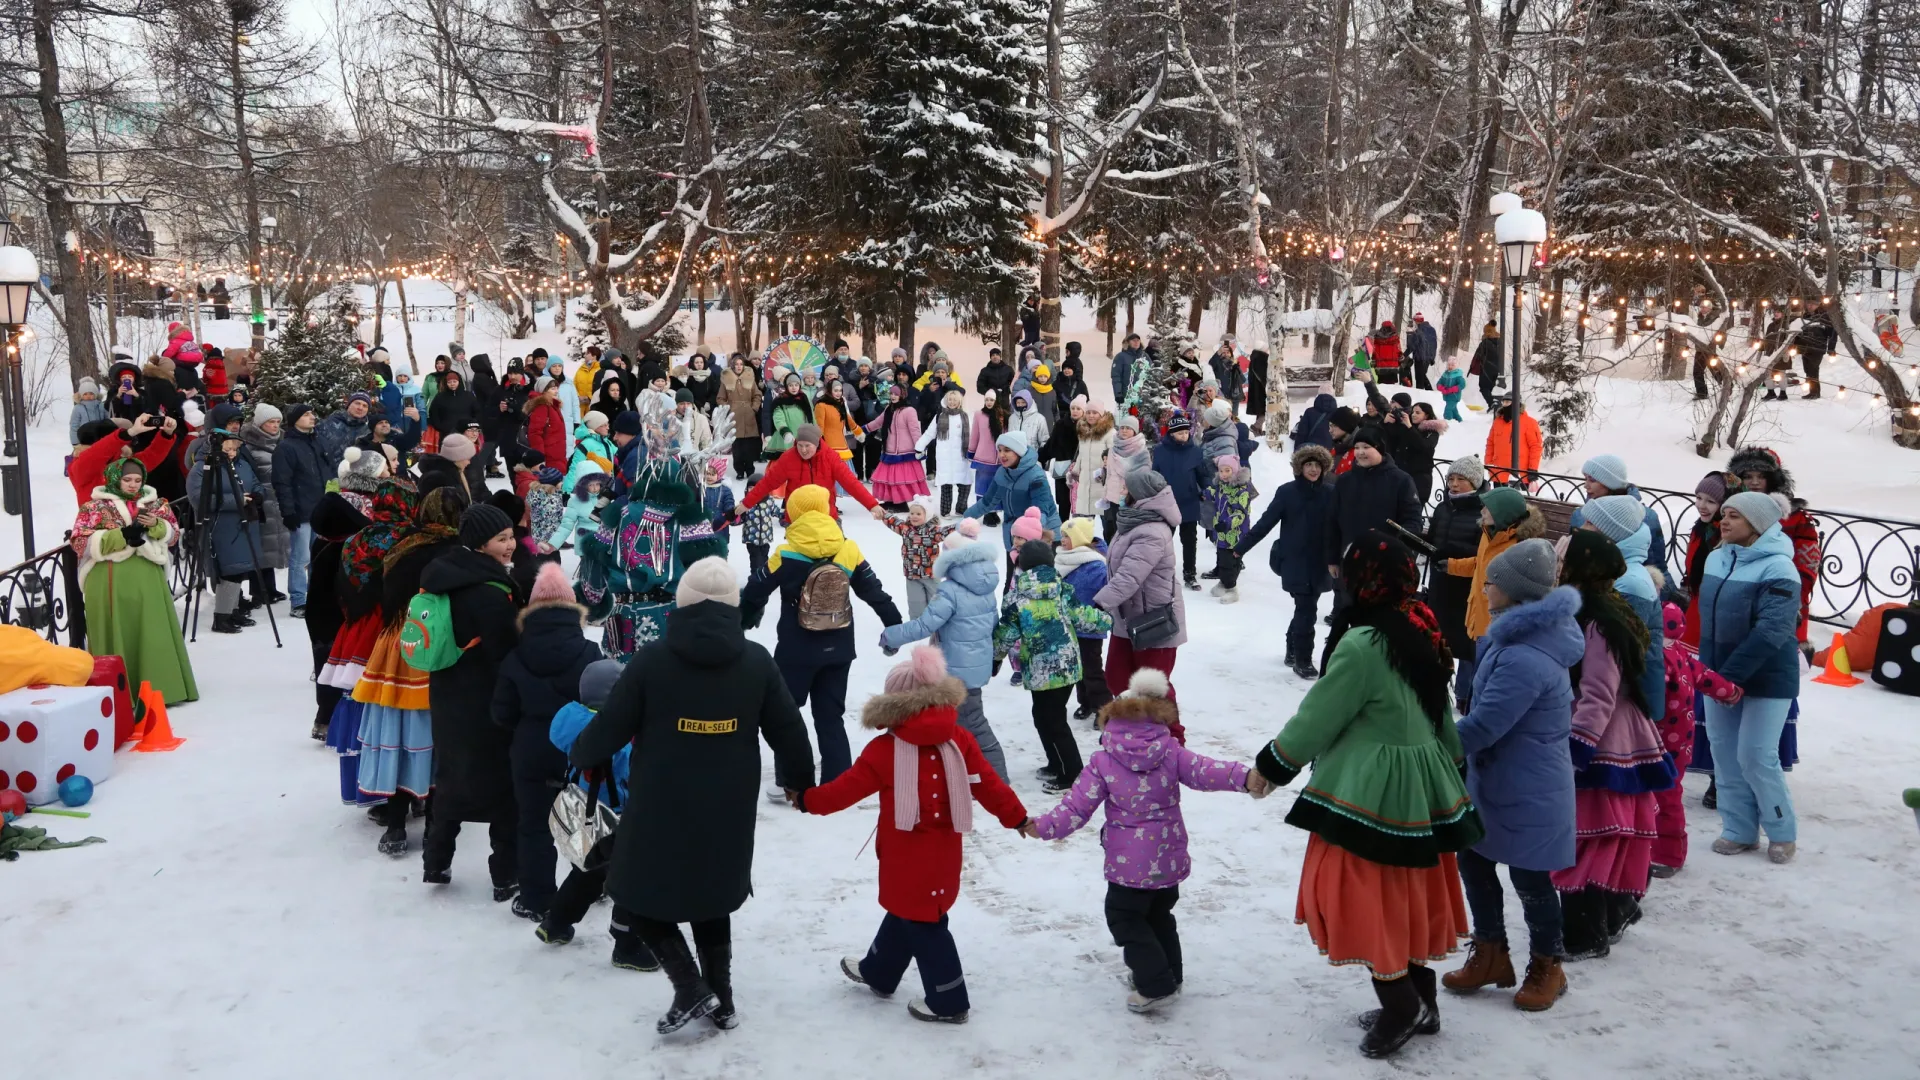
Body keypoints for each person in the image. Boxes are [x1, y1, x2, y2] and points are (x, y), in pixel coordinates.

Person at [1250, 530, 1480, 1059]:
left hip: (1372, 787)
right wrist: (1451, 759)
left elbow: (1320, 715)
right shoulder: (1417, 624)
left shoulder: (1364, 643)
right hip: (1422, 782)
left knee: (1357, 890)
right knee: (1407, 891)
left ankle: (1400, 1004)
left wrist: (1272, 765)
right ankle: (1422, 1001)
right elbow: (1439, 707)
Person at [570, 557, 817, 1032]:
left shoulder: (651, 661)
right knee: (713, 894)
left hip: (661, 798)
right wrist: (799, 781)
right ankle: (720, 1000)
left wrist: (581, 752)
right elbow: (789, 728)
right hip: (729, 800)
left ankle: (689, 986)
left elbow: (610, 728)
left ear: (681, 603)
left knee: (630, 889)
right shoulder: (755, 661)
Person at [800, 645, 1028, 1026]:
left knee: (925, 923)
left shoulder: (884, 749)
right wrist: (1017, 817)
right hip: (944, 852)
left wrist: (806, 799)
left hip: (903, 853)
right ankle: (879, 971)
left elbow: (842, 792)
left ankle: (949, 1000)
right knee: (911, 909)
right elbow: (987, 784)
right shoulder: (959, 738)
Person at [1026, 667, 1254, 1012]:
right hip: (1168, 858)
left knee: (1126, 918)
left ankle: (1155, 983)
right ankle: (1169, 975)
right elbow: (1207, 770)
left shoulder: (1104, 760)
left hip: (1128, 866)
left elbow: (1077, 806)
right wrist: (1246, 777)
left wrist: (1043, 826)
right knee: (1159, 915)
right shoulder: (1171, 751)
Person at [1446, 540, 1579, 1011]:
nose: (1484, 587)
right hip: (1501, 779)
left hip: (1529, 785)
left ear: (1514, 591)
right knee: (1475, 861)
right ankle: (1490, 953)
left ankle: (1549, 965)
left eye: (1491, 582)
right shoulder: (1515, 638)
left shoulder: (1525, 655)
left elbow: (1486, 725)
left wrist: (1434, 745)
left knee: (1531, 878)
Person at [1552, 531, 1674, 960]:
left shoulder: (1598, 621)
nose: (1555, 567)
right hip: (1603, 732)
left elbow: (1600, 692)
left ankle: (1587, 934)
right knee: (1599, 834)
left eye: (1561, 560)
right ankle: (1617, 909)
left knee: (1587, 836)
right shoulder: (1590, 611)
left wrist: (1578, 748)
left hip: (1604, 739)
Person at [742, 484, 903, 782]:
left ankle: (792, 780)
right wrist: (893, 627)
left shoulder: (786, 553)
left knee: (787, 717)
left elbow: (754, 591)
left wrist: (740, 622)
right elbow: (874, 592)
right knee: (830, 717)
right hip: (839, 647)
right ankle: (839, 780)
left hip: (796, 650)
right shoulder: (847, 548)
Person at [351, 486, 467, 854]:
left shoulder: (400, 549)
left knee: (400, 735)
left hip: (397, 647)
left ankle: (396, 825)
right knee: (438, 737)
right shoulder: (458, 555)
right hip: (438, 649)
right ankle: (435, 822)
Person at [419, 503, 526, 896]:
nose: (510, 545)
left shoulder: (444, 576)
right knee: (503, 788)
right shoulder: (489, 593)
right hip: (487, 698)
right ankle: (505, 875)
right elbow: (507, 653)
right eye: (501, 539)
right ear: (480, 544)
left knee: (450, 780)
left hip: (447, 695)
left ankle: (436, 863)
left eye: (511, 536)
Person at [491, 562, 602, 922]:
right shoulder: (589, 654)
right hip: (578, 751)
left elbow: (502, 713)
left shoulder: (515, 655)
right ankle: (591, 887)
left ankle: (536, 899)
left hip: (530, 752)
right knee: (586, 823)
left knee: (534, 825)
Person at [1695, 490, 1801, 865]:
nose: (1723, 521)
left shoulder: (1779, 568)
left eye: (1734, 516)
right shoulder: (1715, 558)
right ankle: (1739, 829)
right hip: (1719, 674)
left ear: (1757, 524)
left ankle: (1781, 829)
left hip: (1768, 676)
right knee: (1724, 754)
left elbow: (1773, 630)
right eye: (1724, 514)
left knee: (1756, 755)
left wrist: (1729, 677)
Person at [534, 658, 657, 971]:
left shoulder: (572, 722)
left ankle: (556, 922)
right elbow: (635, 773)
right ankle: (627, 945)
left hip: (584, 813)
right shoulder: (616, 734)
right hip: (618, 817)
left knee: (589, 872)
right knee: (632, 880)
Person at [880, 520, 1008, 779]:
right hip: (975, 665)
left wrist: (890, 636)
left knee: (973, 722)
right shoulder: (984, 589)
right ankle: (960, 773)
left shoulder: (950, 590)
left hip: (956, 670)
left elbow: (925, 625)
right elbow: (992, 625)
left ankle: (997, 778)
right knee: (957, 721)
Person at [70, 457, 198, 704]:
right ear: (115, 478)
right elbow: (79, 541)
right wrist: (119, 536)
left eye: (138, 480)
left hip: (147, 577)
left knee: (152, 630)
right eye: (127, 479)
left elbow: (173, 536)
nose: (132, 485)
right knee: (115, 632)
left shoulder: (157, 503)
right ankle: (116, 695)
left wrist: (157, 526)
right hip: (108, 579)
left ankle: (161, 689)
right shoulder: (93, 507)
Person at [994, 540, 1112, 792]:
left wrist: (995, 657)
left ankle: (1072, 773)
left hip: (1041, 669)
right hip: (1066, 666)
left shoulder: (1017, 597)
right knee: (1044, 715)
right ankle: (1056, 763)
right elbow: (1082, 615)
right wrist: (1105, 620)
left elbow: (1006, 633)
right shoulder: (1062, 588)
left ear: (1021, 565)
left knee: (1053, 719)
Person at [1654, 602, 1742, 878]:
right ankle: (1656, 849)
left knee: (1665, 800)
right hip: (1680, 745)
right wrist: (1730, 691)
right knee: (1664, 798)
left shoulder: (1659, 659)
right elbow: (1706, 676)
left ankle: (1671, 855)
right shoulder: (1681, 654)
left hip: (1662, 746)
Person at [1235, 446, 1335, 679]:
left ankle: (1292, 646)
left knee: (1306, 608)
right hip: (1294, 560)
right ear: (1300, 468)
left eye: (1317, 465)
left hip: (1320, 561)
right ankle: (1303, 659)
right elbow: (1265, 522)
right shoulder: (1287, 492)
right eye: (1308, 465)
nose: (1313, 469)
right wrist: (1241, 548)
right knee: (1307, 609)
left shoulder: (1331, 493)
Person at [1094, 470, 1187, 709]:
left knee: (1153, 692)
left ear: (1141, 495)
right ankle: (1132, 734)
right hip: (1127, 618)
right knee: (1117, 678)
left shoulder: (1152, 531)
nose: (1122, 492)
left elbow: (1129, 577)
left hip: (1154, 621)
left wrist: (1098, 603)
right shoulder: (1132, 521)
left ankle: (1172, 739)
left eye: (1127, 489)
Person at [1576, 494, 1669, 725]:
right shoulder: (1606, 570)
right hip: (1609, 696)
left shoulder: (1629, 582)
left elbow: (1617, 652)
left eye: (1589, 523)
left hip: (1626, 701)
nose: (1580, 528)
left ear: (1612, 533)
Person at [1322, 427, 1421, 623]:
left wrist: (1395, 546)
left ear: (1380, 449)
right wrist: (1332, 557)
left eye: (1366, 446)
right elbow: (1332, 521)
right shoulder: (1345, 481)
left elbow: (1413, 522)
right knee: (1351, 617)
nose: (1360, 452)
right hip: (1350, 562)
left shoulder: (1400, 480)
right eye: (1357, 447)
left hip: (1385, 564)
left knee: (1379, 621)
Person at [187, 427, 266, 634]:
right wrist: (238, 500)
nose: (232, 453)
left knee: (239, 570)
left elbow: (256, 483)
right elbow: (198, 499)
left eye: (235, 449)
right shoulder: (202, 468)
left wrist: (258, 495)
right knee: (229, 572)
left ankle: (233, 610)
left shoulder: (240, 464)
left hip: (244, 524)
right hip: (221, 526)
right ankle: (222, 617)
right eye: (228, 449)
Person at [1447, 487, 1545, 647]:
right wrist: (1451, 566)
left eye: (1488, 508)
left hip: (1496, 629)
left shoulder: (1519, 546)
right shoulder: (1489, 533)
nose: (1482, 511)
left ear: (1503, 514)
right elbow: (1480, 565)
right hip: (1476, 617)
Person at [1424, 457, 1487, 706]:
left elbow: (1482, 551)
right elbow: (1433, 539)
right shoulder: (1443, 507)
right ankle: (1436, 688)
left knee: (1467, 642)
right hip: (1441, 581)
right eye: (1451, 478)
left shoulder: (1483, 511)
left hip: (1468, 587)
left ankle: (1464, 695)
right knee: (1439, 637)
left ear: (1475, 481)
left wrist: (1451, 551)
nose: (1455, 484)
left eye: (1461, 479)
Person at [738, 423, 884, 523]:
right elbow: (767, 483)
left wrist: (872, 505)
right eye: (800, 445)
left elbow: (851, 483)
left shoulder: (830, 457)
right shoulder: (788, 458)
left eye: (808, 446)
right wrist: (746, 503)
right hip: (798, 518)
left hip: (826, 516)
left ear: (817, 443)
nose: (803, 450)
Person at [1567, 454, 1668, 575]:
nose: (1585, 485)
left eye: (1592, 479)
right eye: (1585, 478)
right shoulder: (1580, 515)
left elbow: (1657, 566)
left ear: (1610, 484)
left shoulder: (1646, 517)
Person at [963, 430, 1060, 551]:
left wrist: (1025, 534)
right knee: (1012, 570)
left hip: (1043, 536)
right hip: (1015, 537)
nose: (1002, 455)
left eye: (1007, 450)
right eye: (1000, 450)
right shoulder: (1002, 473)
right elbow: (987, 502)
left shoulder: (1035, 476)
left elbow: (1041, 512)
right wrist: (965, 519)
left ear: (1019, 452)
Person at [1056, 518, 1112, 721]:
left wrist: (1098, 614)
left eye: (1067, 536)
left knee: (1092, 669)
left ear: (1079, 539)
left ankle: (1105, 709)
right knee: (1077, 668)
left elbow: (1107, 592)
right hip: (1069, 624)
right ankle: (1086, 702)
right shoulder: (1064, 558)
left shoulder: (1096, 564)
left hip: (1089, 626)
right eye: (1062, 536)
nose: (1062, 540)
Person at [1149, 412, 1211, 590]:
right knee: (1163, 539)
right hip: (1167, 503)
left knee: (1189, 540)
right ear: (1171, 433)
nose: (1184, 436)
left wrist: (1206, 488)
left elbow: (1202, 474)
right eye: (1180, 433)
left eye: (1186, 432)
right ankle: (1161, 573)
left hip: (1189, 501)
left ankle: (1189, 573)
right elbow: (1155, 475)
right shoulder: (1161, 451)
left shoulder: (1195, 451)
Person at [68, 413, 180, 506]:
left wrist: (166, 434)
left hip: (127, 523)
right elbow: (97, 453)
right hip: (98, 527)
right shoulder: (80, 466)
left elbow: (151, 456)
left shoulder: (122, 462)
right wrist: (128, 433)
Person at [866, 384, 930, 509]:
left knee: (902, 479)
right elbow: (878, 422)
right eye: (891, 394)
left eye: (896, 394)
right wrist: (862, 430)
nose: (893, 396)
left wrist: (919, 448)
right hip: (890, 450)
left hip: (905, 452)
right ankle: (890, 501)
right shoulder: (889, 409)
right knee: (890, 479)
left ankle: (901, 503)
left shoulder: (909, 411)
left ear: (902, 395)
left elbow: (915, 430)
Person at [918, 389, 973, 517]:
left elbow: (972, 436)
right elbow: (929, 433)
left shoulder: (965, 416)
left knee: (965, 484)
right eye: (950, 399)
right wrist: (919, 447)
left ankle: (961, 509)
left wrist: (974, 452)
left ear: (959, 401)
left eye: (955, 400)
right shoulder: (939, 416)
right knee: (946, 486)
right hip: (945, 457)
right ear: (946, 401)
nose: (952, 402)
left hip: (961, 457)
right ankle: (945, 511)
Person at [1207, 454, 1253, 603]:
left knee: (1230, 561)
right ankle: (1223, 582)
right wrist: (1205, 493)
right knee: (1221, 558)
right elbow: (1217, 494)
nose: (1224, 474)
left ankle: (1232, 588)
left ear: (1234, 471)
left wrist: (1227, 524)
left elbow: (1240, 512)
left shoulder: (1242, 490)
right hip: (1222, 532)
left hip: (1236, 533)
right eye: (1221, 471)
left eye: (1227, 471)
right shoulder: (1222, 485)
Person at [1484, 396, 1542, 486]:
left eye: (1508, 402)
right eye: (1504, 402)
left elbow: (1535, 447)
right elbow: (1490, 443)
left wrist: (1532, 469)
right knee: (1498, 499)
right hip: (1498, 473)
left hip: (1520, 474)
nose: (1505, 405)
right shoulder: (1498, 422)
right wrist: (1488, 463)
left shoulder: (1529, 423)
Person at [720, 357, 762, 478]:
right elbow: (720, 398)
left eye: (741, 364)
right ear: (732, 366)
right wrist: (729, 409)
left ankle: (750, 469)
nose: (739, 366)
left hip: (749, 415)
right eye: (736, 364)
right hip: (734, 417)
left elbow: (757, 394)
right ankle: (739, 470)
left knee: (749, 446)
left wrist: (754, 408)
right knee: (737, 446)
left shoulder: (750, 379)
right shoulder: (726, 380)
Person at [968, 389, 1009, 511]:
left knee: (997, 486)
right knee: (983, 486)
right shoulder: (979, 414)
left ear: (996, 401)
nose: (989, 402)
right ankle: (986, 513)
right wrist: (971, 452)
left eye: (991, 400)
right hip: (983, 458)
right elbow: (975, 435)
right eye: (986, 400)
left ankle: (994, 512)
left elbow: (1007, 436)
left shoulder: (1004, 416)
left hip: (999, 458)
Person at [425, 369, 480, 456]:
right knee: (447, 459)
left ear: (459, 382)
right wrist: (440, 427)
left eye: (454, 381)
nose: (452, 384)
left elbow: (476, 412)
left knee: (465, 459)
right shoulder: (440, 397)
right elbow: (433, 413)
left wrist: (472, 426)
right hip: (446, 434)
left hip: (466, 434)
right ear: (446, 383)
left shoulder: (468, 395)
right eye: (449, 382)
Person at [316, 392, 375, 470]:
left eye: (365, 406)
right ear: (348, 405)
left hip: (350, 477)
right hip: (324, 473)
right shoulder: (327, 424)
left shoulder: (368, 432)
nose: (360, 408)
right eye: (357, 403)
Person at [1470, 322, 1502, 411]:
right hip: (1498, 368)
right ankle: (1494, 405)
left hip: (1486, 368)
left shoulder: (1485, 343)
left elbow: (1478, 356)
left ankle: (1492, 404)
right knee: (1491, 387)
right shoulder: (1500, 342)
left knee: (1483, 387)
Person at [1407, 313, 1438, 390]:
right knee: (1422, 375)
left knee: (1419, 378)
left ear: (1417, 321)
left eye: (1414, 321)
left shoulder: (1418, 331)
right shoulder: (1432, 330)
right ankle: (1429, 392)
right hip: (1427, 358)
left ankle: (1425, 393)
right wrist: (1432, 357)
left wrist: (1409, 334)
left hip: (1419, 357)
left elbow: (1412, 346)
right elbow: (1434, 345)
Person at [1367, 320, 1403, 385]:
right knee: (1391, 385)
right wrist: (1401, 359)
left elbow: (1375, 351)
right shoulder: (1395, 338)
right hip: (1393, 366)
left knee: (1382, 385)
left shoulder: (1377, 338)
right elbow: (1398, 350)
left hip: (1381, 366)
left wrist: (1373, 361)